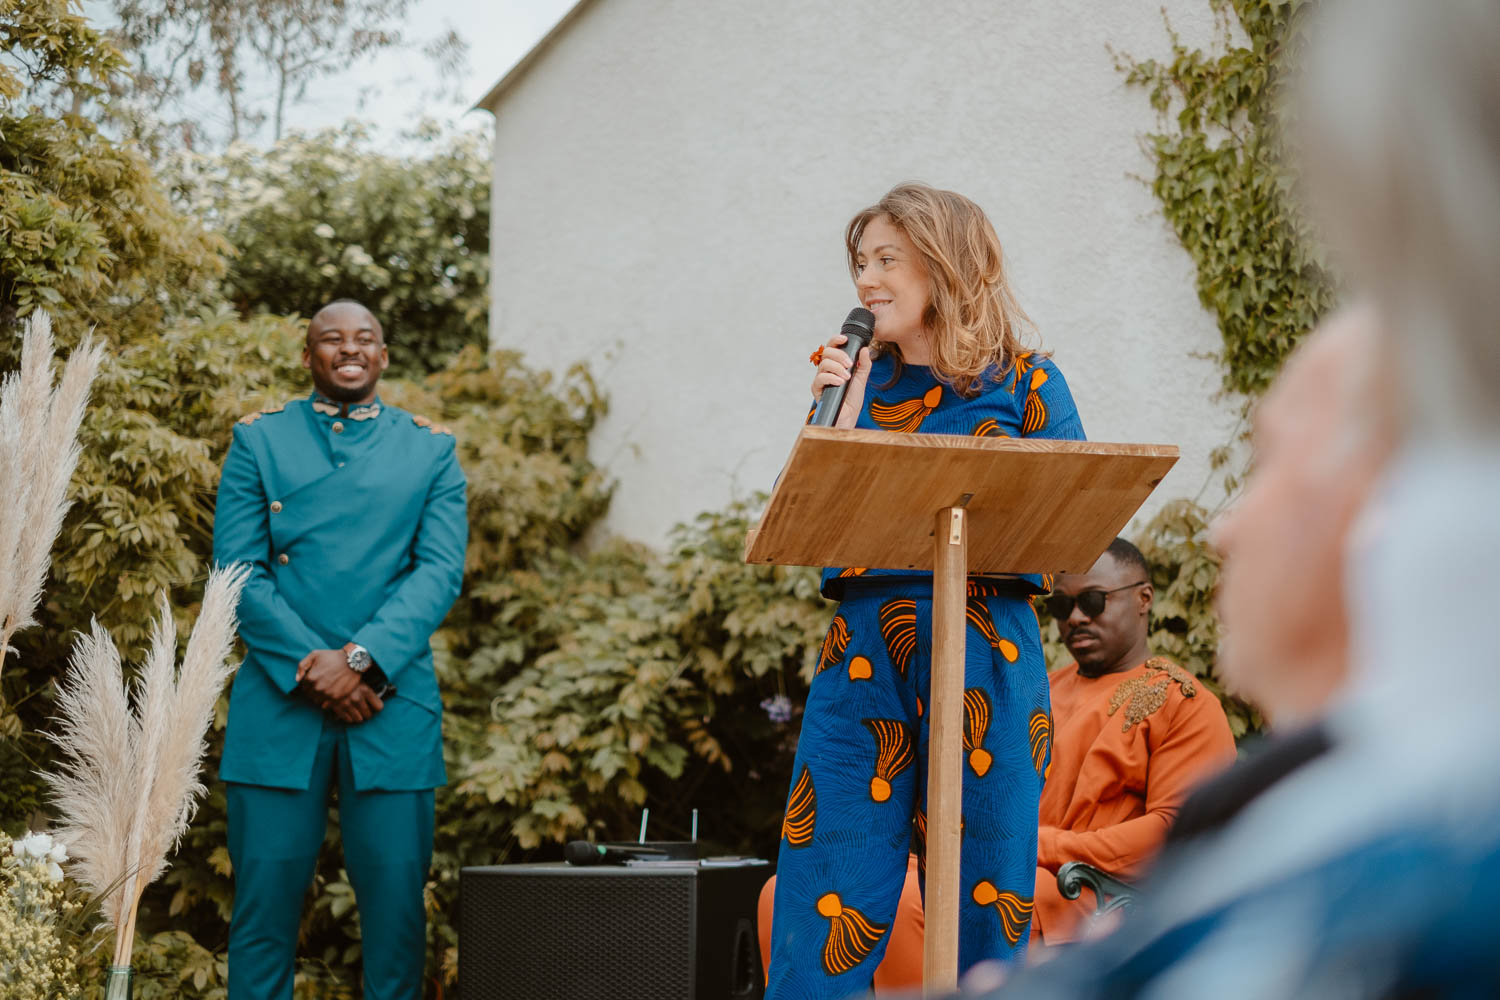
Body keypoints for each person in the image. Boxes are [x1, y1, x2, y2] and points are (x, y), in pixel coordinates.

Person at [765, 182, 1085, 999]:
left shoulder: (1029, 382)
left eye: (886, 260)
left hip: (990, 652)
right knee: (825, 888)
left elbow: (1069, 528)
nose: (866, 281)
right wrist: (839, 415)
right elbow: (813, 520)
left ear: (945, 264)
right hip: (864, 657)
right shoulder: (856, 387)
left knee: (989, 896)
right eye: (859, 263)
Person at [214, 300, 468, 999]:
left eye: (364, 340)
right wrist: (313, 668)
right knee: (262, 916)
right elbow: (237, 572)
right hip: (278, 704)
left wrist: (357, 660)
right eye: (331, 339)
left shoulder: (430, 450)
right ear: (309, 358)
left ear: (384, 357)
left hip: (390, 705)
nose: (348, 349)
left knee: (395, 924)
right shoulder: (259, 442)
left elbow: (440, 571)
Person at [1031, 538, 1235, 944]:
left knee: (920, 900)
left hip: (1094, 900)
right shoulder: (1037, 690)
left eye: (1092, 601)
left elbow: (1175, 832)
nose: (1074, 618)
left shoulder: (1183, 702)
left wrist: (1044, 846)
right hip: (1011, 872)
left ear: (1143, 599)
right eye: (1060, 606)